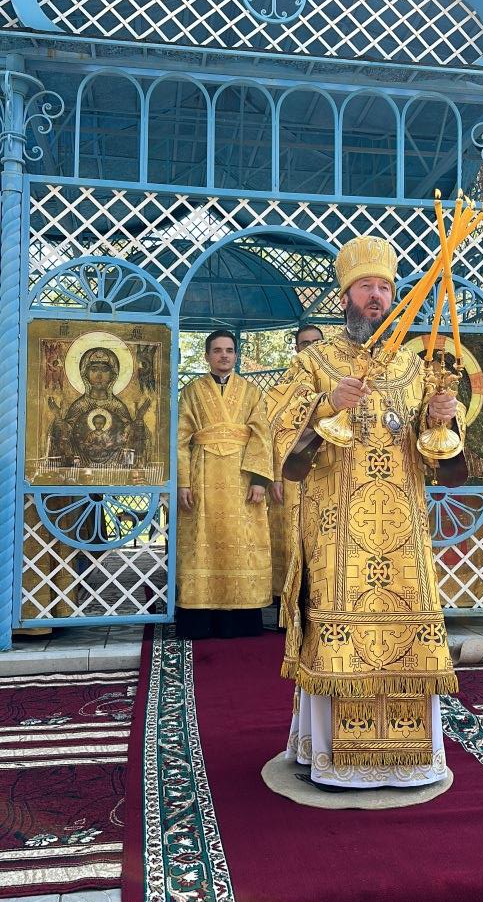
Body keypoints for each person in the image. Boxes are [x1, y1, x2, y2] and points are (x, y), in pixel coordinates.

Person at [267, 236, 465, 788]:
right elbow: (280, 437)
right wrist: (326, 405)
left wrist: (441, 417)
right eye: (365, 287)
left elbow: (441, 460)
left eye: (384, 287)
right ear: (345, 297)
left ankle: (411, 761)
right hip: (336, 530)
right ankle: (332, 757)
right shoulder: (314, 361)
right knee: (336, 630)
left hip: (402, 533)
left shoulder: (414, 366)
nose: (377, 296)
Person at [176, 330, 273, 639]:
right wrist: (182, 482)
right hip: (202, 476)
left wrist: (259, 480)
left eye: (229, 350)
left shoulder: (251, 391)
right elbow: (180, 439)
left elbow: (262, 436)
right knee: (201, 544)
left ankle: (240, 621)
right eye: (217, 350)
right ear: (207, 356)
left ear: (236, 356)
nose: (223, 355)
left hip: (241, 480)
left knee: (241, 544)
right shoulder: (192, 391)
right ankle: (199, 621)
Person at [268, 326, 325, 619]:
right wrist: (275, 477)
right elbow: (274, 430)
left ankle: (319, 603)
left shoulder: (338, 376)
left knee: (321, 540)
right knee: (293, 539)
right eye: (305, 343)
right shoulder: (287, 381)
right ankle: (287, 608)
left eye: (317, 342)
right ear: (296, 349)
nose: (311, 347)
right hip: (291, 475)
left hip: (327, 474)